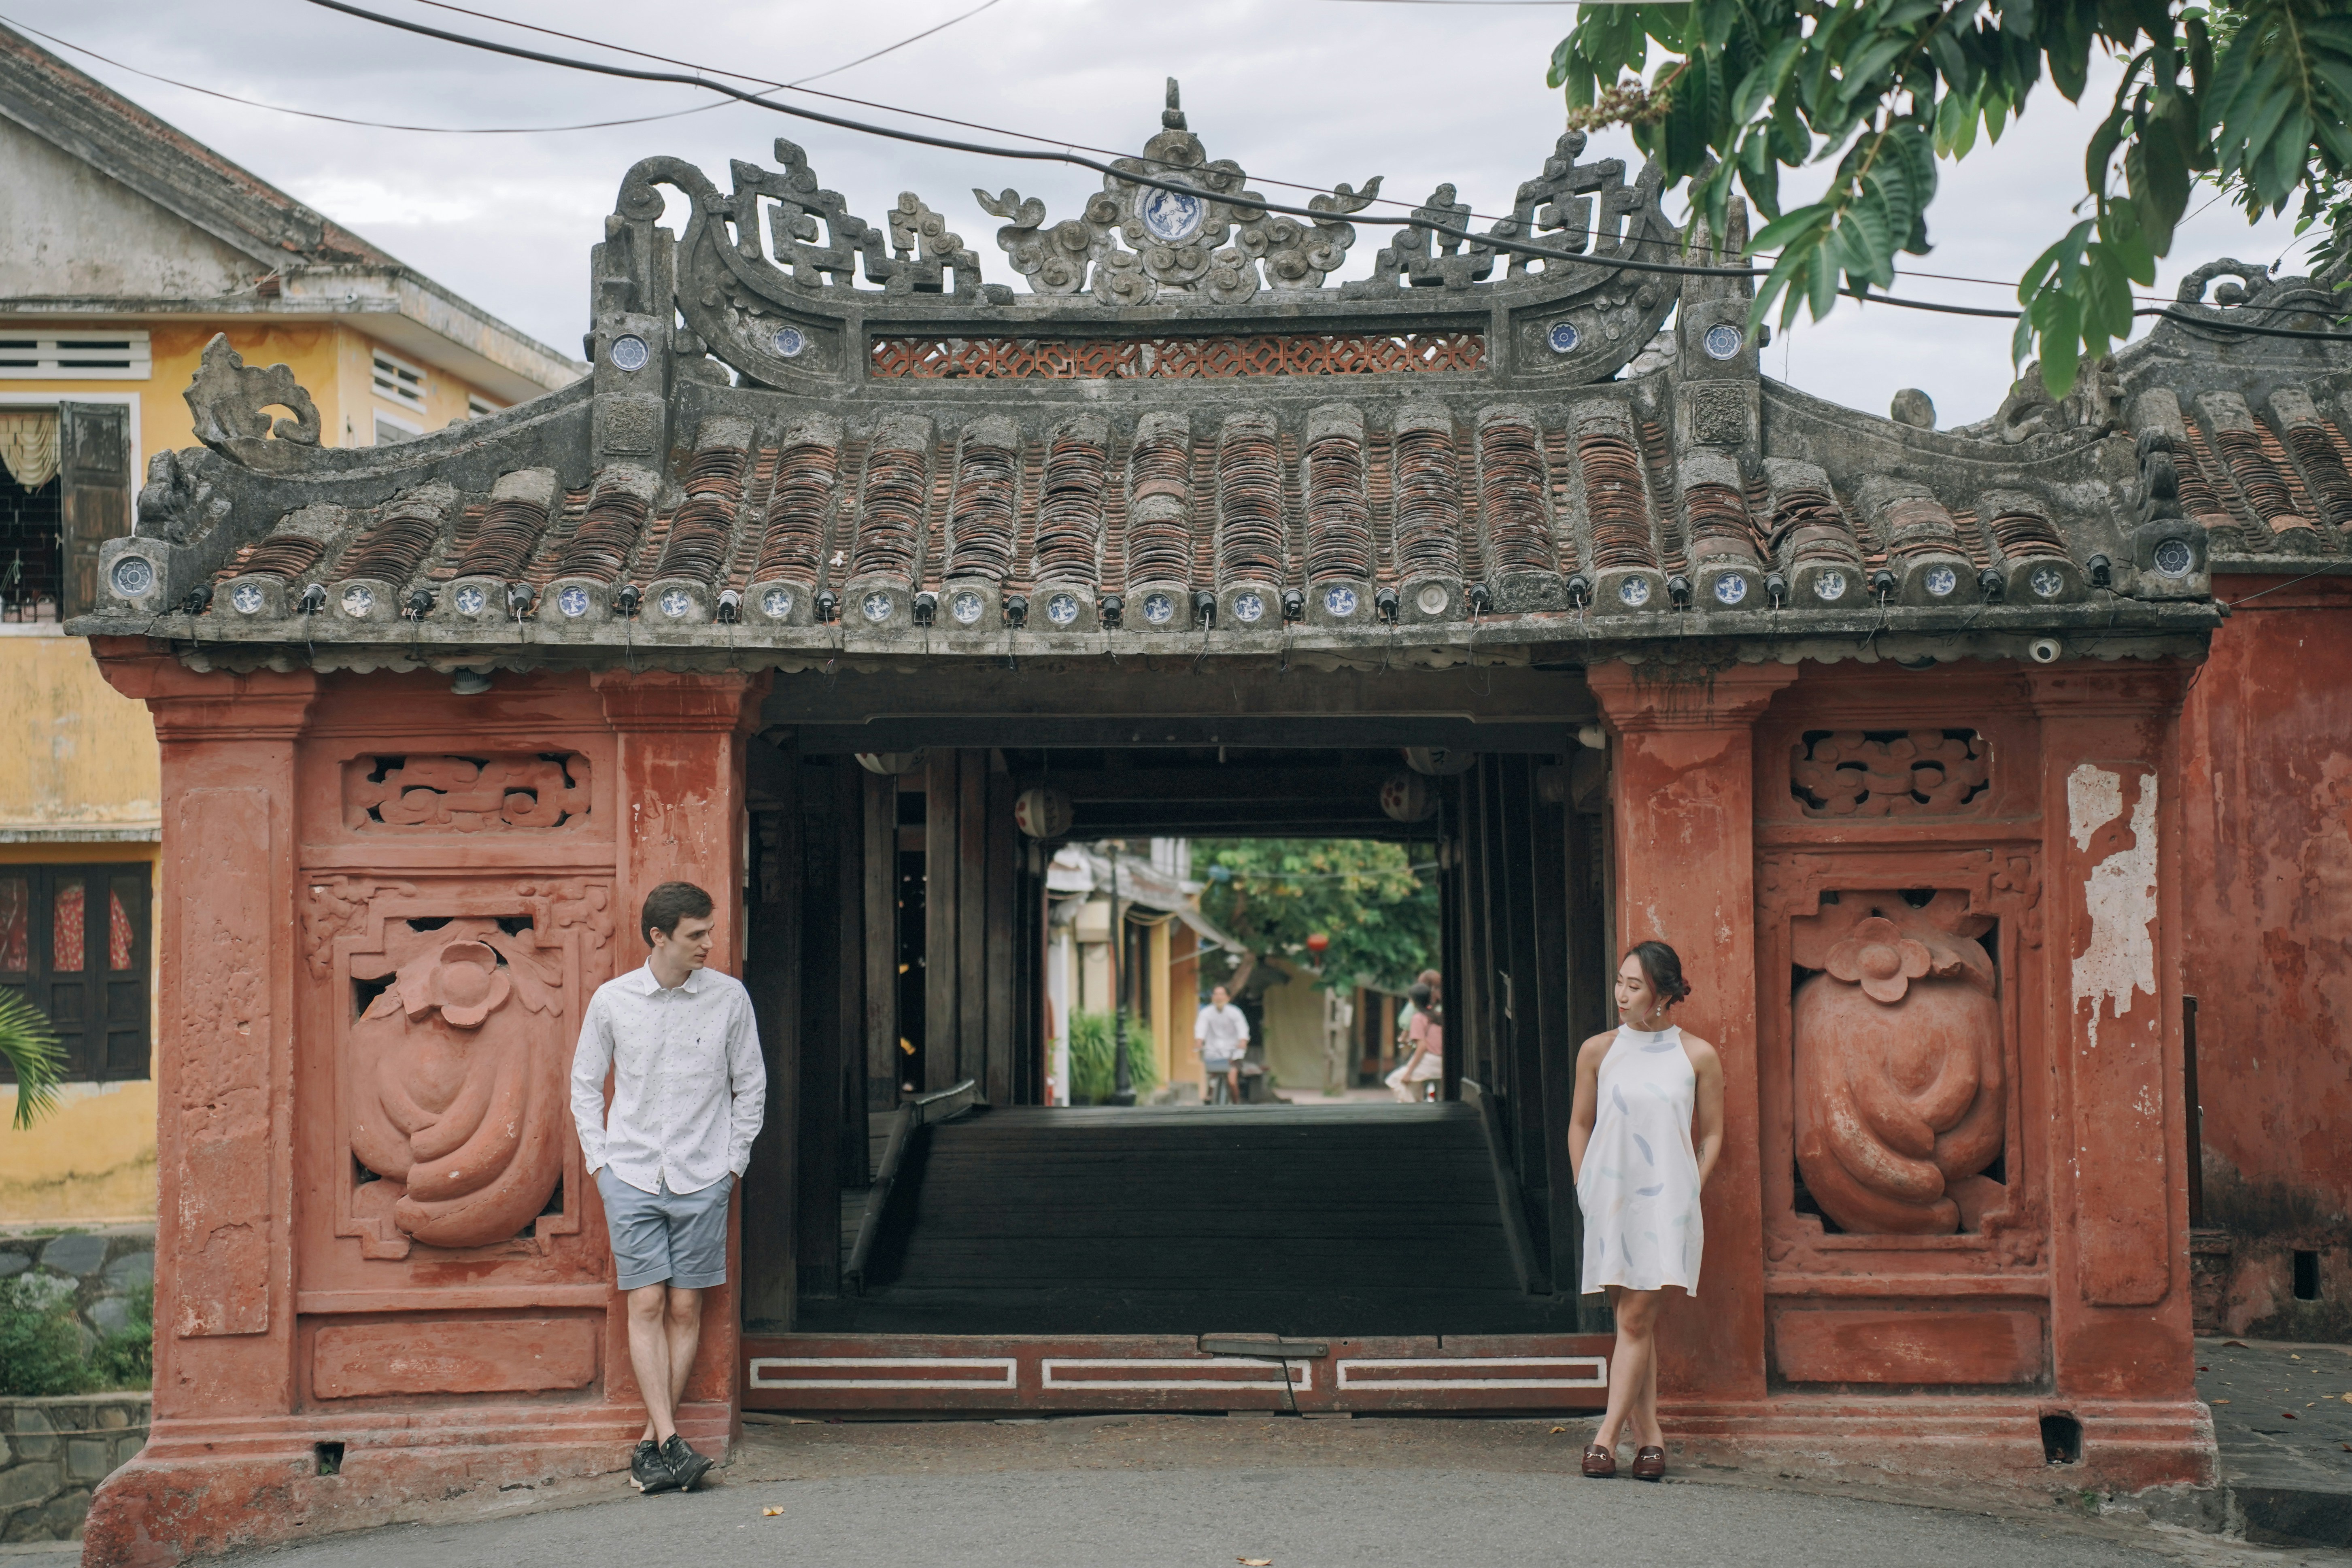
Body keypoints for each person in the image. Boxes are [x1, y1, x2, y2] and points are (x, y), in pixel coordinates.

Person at [570, 881, 766, 1497]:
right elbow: (583, 1084)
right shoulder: (612, 1000)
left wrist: (732, 1165)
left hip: (702, 1174)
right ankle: (670, 1440)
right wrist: (600, 1166)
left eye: (708, 930)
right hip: (630, 1174)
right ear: (659, 937)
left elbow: (750, 1085)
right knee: (647, 1303)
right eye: (696, 934)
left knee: (685, 1306)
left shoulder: (729, 998)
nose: (709, 942)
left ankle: (656, 1447)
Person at [1565, 940, 1723, 1483]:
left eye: (1634, 986)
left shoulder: (1696, 1055)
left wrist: (1688, 1193)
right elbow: (1579, 1122)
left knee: (1634, 1319)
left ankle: (1604, 1437)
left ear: (1661, 993)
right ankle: (1651, 1439)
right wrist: (1582, 1183)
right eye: (1619, 982)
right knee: (1634, 1322)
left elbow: (1714, 1135)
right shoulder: (1597, 1050)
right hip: (1611, 1198)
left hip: (1667, 1206)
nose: (1621, 994)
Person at [1385, 982, 1444, 1102]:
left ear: (1412, 1001)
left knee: (1395, 1080)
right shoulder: (1438, 1016)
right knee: (1414, 1085)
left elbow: (1422, 1047)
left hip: (1429, 1061)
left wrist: (1409, 1072)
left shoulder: (1418, 1018)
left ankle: (1413, 1110)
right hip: (1443, 1062)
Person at [1194, 984, 1249, 1104]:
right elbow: (1201, 1028)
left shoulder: (1235, 1012)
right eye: (1216, 994)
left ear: (1228, 997)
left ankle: (1236, 1104)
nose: (1219, 997)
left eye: (1222, 994)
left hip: (1233, 1053)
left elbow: (1242, 1029)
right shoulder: (1206, 1013)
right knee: (1211, 1079)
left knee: (1232, 1081)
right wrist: (1199, 1041)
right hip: (1213, 1052)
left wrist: (1243, 1041)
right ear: (1212, 997)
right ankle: (1209, 1098)